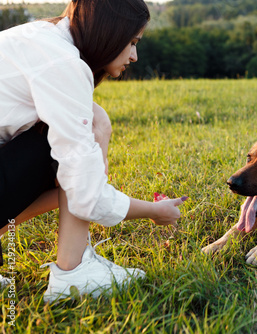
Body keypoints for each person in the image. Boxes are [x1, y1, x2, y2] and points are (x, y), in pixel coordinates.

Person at [0, 0, 185, 302]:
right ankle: (73, 273)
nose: (134, 55)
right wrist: (153, 211)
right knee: (81, 142)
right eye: (132, 42)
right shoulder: (62, 63)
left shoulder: (43, 38)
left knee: (85, 127)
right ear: (109, 32)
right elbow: (85, 191)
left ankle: (76, 265)